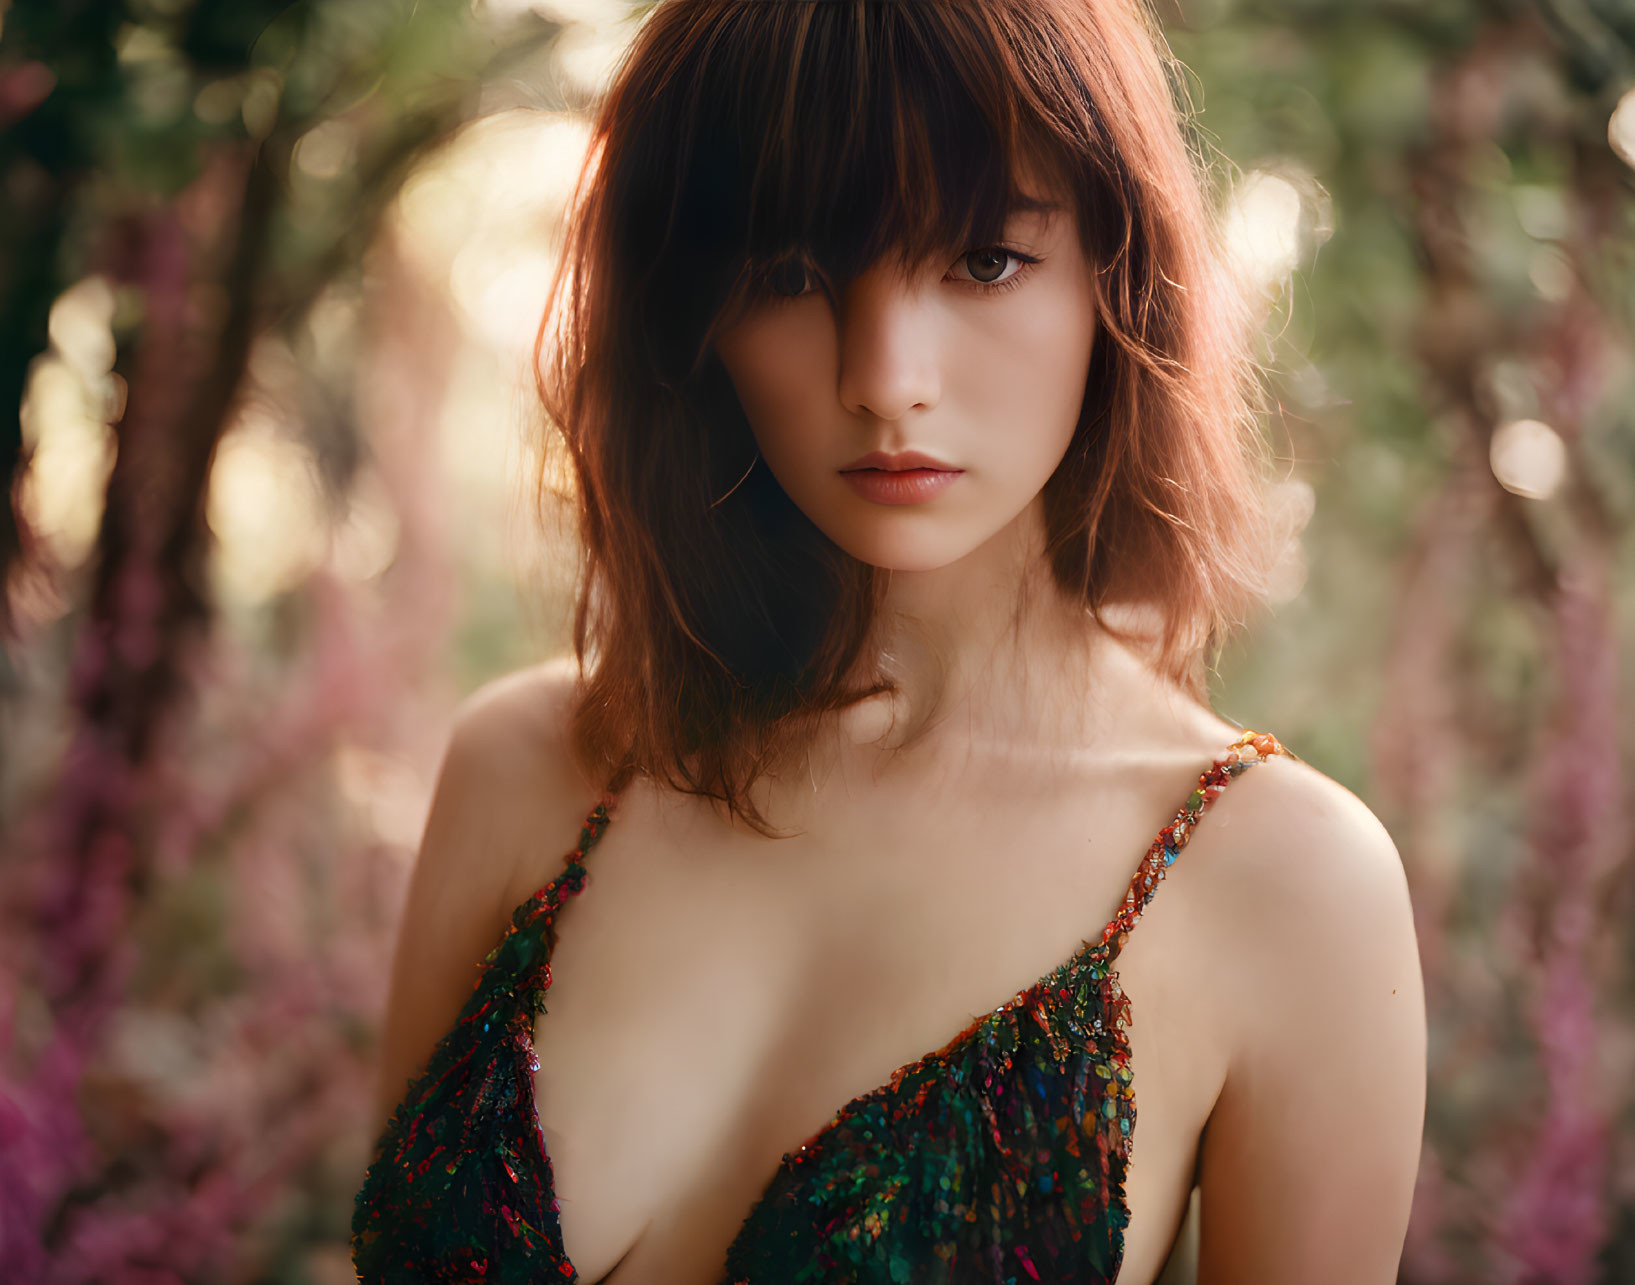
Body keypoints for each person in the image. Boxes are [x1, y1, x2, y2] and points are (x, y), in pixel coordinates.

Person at [351, 1, 1427, 1281]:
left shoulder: (1285, 886)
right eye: (789, 272)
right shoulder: (528, 768)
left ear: (1115, 276)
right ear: (689, 317)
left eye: (981, 260)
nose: (884, 374)